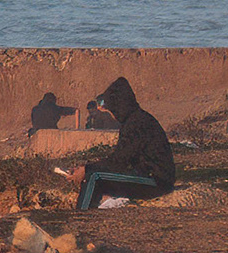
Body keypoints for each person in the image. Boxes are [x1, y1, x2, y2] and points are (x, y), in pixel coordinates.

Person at [67, 78, 178, 208]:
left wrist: (86, 169)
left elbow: (119, 161)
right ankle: (87, 215)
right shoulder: (136, 120)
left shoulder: (137, 123)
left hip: (156, 181)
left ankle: (81, 218)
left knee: (94, 177)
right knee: (95, 176)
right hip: (148, 176)